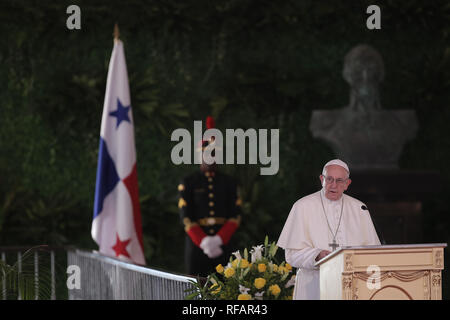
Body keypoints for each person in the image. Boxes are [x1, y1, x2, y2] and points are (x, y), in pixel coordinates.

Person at [277, 159, 380, 300]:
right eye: (329, 179)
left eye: (339, 181)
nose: (333, 185)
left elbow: (374, 253)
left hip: (352, 287)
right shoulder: (302, 206)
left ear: (347, 184)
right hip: (314, 286)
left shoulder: (359, 208)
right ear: (321, 179)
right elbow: (291, 255)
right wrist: (317, 255)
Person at [178, 116, 242, 277]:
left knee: (228, 287)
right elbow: (185, 215)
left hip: (224, 245)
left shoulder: (229, 182)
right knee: (196, 288)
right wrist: (203, 241)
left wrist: (219, 239)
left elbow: (236, 214)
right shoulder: (189, 182)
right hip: (197, 246)